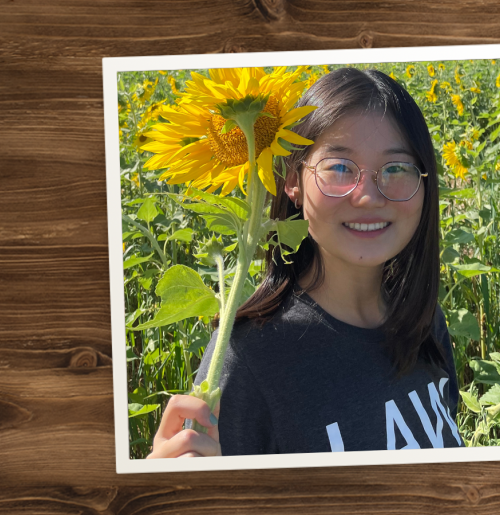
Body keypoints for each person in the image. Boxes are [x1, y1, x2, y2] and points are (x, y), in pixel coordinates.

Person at [147, 67, 461, 458]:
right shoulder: (251, 357)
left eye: (396, 168)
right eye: (340, 167)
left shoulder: (422, 320)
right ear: (292, 181)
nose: (367, 197)